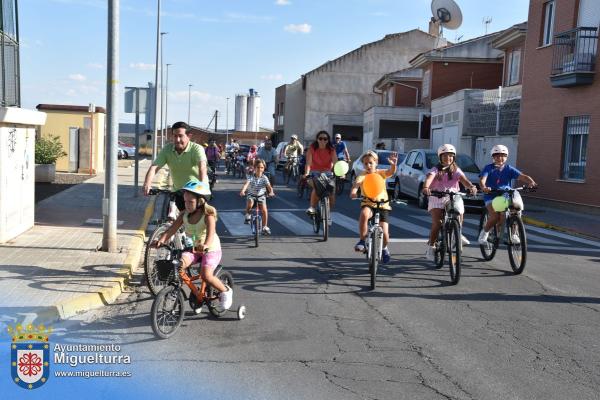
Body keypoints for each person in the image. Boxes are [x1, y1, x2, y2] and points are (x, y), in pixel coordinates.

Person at [153, 179, 232, 311]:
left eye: (191, 202)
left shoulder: (208, 216)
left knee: (206, 275)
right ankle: (188, 293)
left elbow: (210, 235)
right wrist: (161, 240)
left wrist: (206, 245)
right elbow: (171, 229)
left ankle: (226, 291)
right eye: (185, 201)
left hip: (211, 249)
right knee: (177, 266)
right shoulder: (184, 214)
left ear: (200, 201)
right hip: (194, 249)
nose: (187, 205)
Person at [422, 144, 477, 261]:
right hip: (437, 197)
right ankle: (431, 247)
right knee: (438, 223)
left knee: (459, 211)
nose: (448, 158)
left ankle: (458, 233)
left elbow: (465, 180)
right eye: (445, 156)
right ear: (440, 157)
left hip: (452, 196)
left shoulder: (456, 170)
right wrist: (426, 188)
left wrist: (471, 187)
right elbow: (429, 179)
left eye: (451, 156)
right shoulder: (435, 169)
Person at [477, 144, 537, 245]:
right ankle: (484, 233)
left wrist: (531, 182)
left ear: (506, 157)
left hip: (505, 196)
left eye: (503, 155)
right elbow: (482, 180)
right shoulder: (488, 168)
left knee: (515, 211)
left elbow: (523, 176)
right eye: (497, 156)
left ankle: (514, 234)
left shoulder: (509, 168)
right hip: (491, 196)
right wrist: (484, 187)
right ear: (493, 157)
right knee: (495, 217)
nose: (500, 158)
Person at [143, 121, 208, 211]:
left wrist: (202, 188)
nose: (177, 140)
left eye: (180, 136)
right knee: (179, 219)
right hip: (178, 191)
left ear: (189, 136)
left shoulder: (197, 149)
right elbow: (154, 167)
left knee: (197, 220)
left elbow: (202, 167)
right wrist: (147, 183)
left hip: (196, 191)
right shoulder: (167, 149)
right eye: (175, 136)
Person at [349, 150, 397, 264]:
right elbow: (357, 184)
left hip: (383, 205)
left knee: (385, 235)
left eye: (371, 163)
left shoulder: (381, 173)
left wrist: (393, 164)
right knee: (364, 214)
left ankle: (384, 248)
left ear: (376, 163)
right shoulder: (363, 175)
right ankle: (362, 240)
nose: (368, 165)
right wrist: (354, 191)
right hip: (368, 203)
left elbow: (391, 172)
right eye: (365, 163)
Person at [304, 130, 337, 215]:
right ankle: (312, 207)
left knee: (331, 193)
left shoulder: (331, 150)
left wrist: (341, 173)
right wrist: (307, 173)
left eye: (325, 139)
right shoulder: (312, 148)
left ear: (328, 140)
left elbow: (336, 163)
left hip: (327, 173)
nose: (323, 141)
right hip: (315, 172)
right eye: (320, 138)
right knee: (317, 186)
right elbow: (308, 163)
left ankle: (326, 212)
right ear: (317, 139)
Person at [240, 159, 275, 235]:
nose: (260, 169)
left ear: (264, 168)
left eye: (262, 167)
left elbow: (269, 187)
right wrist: (243, 191)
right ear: (255, 168)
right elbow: (246, 184)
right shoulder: (251, 177)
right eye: (258, 167)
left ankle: (265, 227)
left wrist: (271, 192)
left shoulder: (264, 178)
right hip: (252, 195)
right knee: (250, 203)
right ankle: (247, 215)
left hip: (261, 196)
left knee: (265, 211)